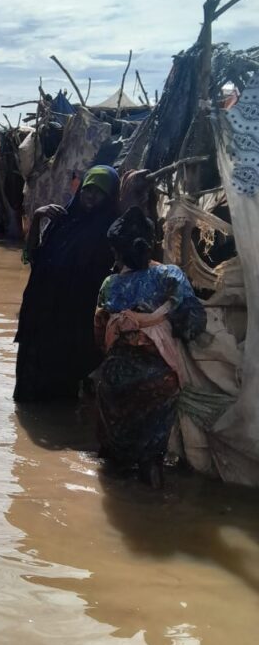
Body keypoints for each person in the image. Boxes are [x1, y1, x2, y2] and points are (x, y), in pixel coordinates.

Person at [94, 206, 205, 487]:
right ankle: (156, 511)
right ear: (152, 244)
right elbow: (194, 322)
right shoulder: (171, 276)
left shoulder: (110, 284)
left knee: (114, 459)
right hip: (159, 380)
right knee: (151, 460)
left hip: (115, 380)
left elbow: (99, 333)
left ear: (117, 252)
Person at [14, 164, 120, 402]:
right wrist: (38, 217)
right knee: (28, 390)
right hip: (40, 316)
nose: (90, 196)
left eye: (98, 192)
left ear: (109, 196)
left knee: (63, 392)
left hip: (74, 322)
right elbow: (32, 257)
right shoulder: (62, 220)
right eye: (87, 190)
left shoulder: (111, 231)